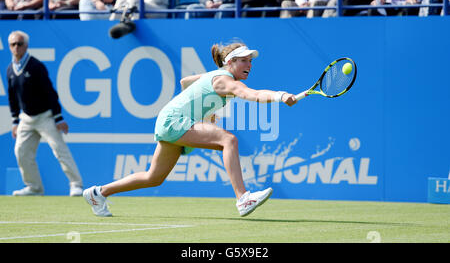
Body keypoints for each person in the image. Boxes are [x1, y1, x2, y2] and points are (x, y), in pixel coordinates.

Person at [83, 41, 298, 217]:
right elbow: (253, 95)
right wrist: (281, 95)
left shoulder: (214, 76)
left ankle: (98, 193)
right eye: (244, 60)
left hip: (169, 119)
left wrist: (205, 110)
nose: (249, 64)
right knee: (228, 140)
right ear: (231, 62)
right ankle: (243, 198)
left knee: (154, 177)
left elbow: (185, 82)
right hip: (175, 120)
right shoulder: (226, 80)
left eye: (250, 61)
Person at [6, 31, 84, 197]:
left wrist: (58, 117)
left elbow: (49, 92)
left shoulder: (36, 66)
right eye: (13, 44)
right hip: (26, 119)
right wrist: (14, 121)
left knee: (59, 150)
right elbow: (12, 97)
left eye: (19, 44)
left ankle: (76, 185)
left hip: (45, 117)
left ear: (26, 46)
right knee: (21, 152)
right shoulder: (10, 70)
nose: (16, 48)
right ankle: (34, 187)